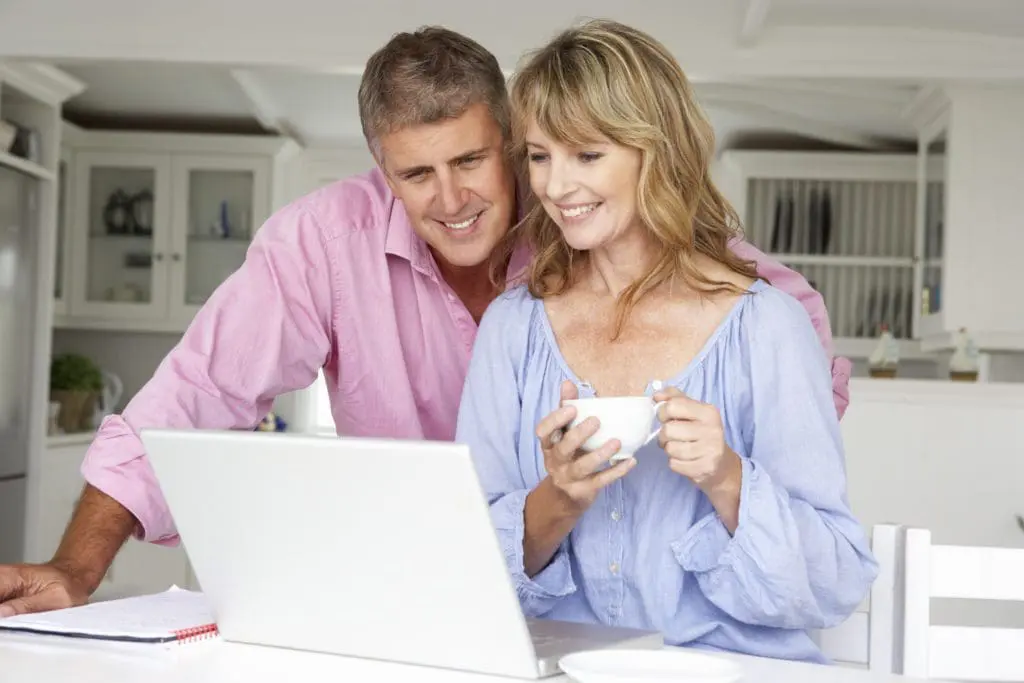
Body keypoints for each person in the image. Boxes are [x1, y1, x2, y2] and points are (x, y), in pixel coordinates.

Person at [0, 26, 849, 619]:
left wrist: (737, 454)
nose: (450, 200)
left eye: (474, 160)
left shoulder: (602, 228)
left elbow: (776, 328)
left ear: (511, 142)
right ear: (381, 169)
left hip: (598, 600)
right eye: (416, 174)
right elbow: (191, 394)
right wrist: (77, 568)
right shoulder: (326, 242)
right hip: (423, 575)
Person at [455, 19, 877, 663]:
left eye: (587, 155)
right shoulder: (512, 329)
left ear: (658, 152)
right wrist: (559, 497)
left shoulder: (768, 327)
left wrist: (727, 476)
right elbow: (463, 571)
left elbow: (834, 581)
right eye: (539, 156)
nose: (555, 187)